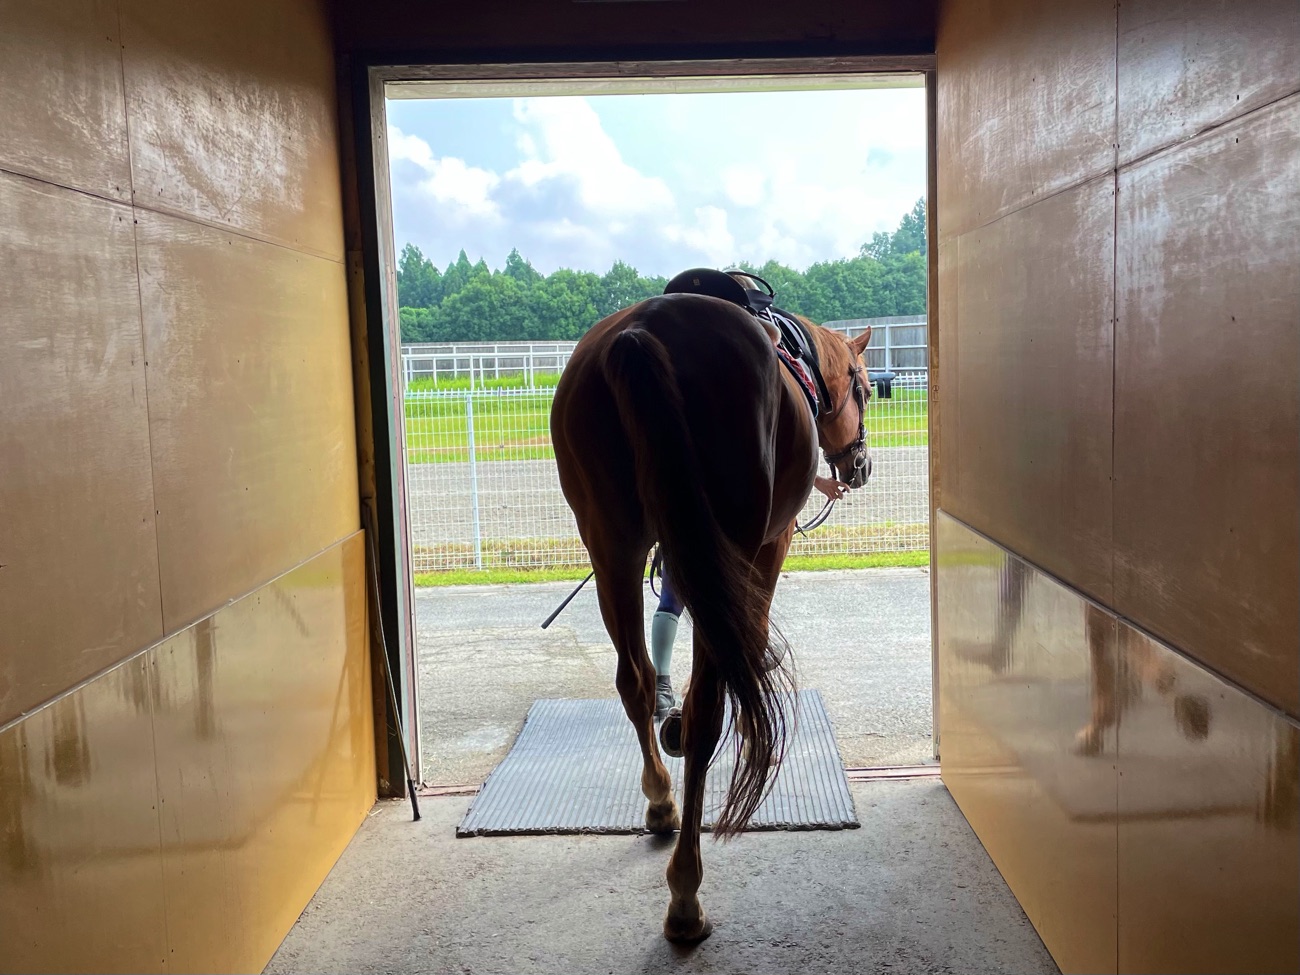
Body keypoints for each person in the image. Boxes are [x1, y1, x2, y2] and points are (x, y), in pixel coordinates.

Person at [652, 473, 851, 719]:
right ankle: (736, 689)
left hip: (681, 511)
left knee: (671, 601)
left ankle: (662, 687)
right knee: (741, 598)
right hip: (729, 516)